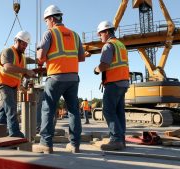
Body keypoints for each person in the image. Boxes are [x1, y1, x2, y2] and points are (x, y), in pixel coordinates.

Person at [32, 5, 90, 154]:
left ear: (51, 19)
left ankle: (46, 143)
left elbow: (40, 58)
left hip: (56, 77)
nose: (46, 23)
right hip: (73, 78)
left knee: (48, 109)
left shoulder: (49, 33)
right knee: (73, 112)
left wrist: (40, 51)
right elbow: (82, 58)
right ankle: (74, 145)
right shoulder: (75, 35)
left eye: (46, 21)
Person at [94, 21, 130, 151]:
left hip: (114, 83)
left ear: (107, 32)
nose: (100, 37)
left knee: (108, 111)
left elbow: (105, 64)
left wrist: (96, 70)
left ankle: (115, 139)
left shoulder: (108, 45)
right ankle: (121, 140)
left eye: (100, 34)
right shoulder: (120, 45)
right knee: (119, 112)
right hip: (123, 82)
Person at [0, 30, 35, 138]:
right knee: (11, 109)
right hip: (2, 85)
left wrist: (27, 77)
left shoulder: (23, 58)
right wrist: (26, 71)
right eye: (23, 43)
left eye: (26, 44)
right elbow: (7, 67)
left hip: (13, 87)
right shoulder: (8, 52)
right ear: (16, 40)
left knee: (5, 111)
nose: (25, 46)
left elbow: (19, 73)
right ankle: (15, 133)